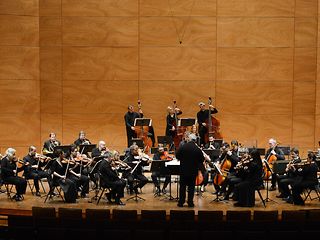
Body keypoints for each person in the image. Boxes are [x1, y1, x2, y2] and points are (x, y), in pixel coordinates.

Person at [176, 133, 205, 207]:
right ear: (194, 140)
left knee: (182, 187)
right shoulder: (197, 149)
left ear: (189, 139)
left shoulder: (183, 147)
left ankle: (181, 202)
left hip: (183, 170)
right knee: (191, 187)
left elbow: (177, 156)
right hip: (193, 171)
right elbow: (201, 160)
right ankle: (190, 202)